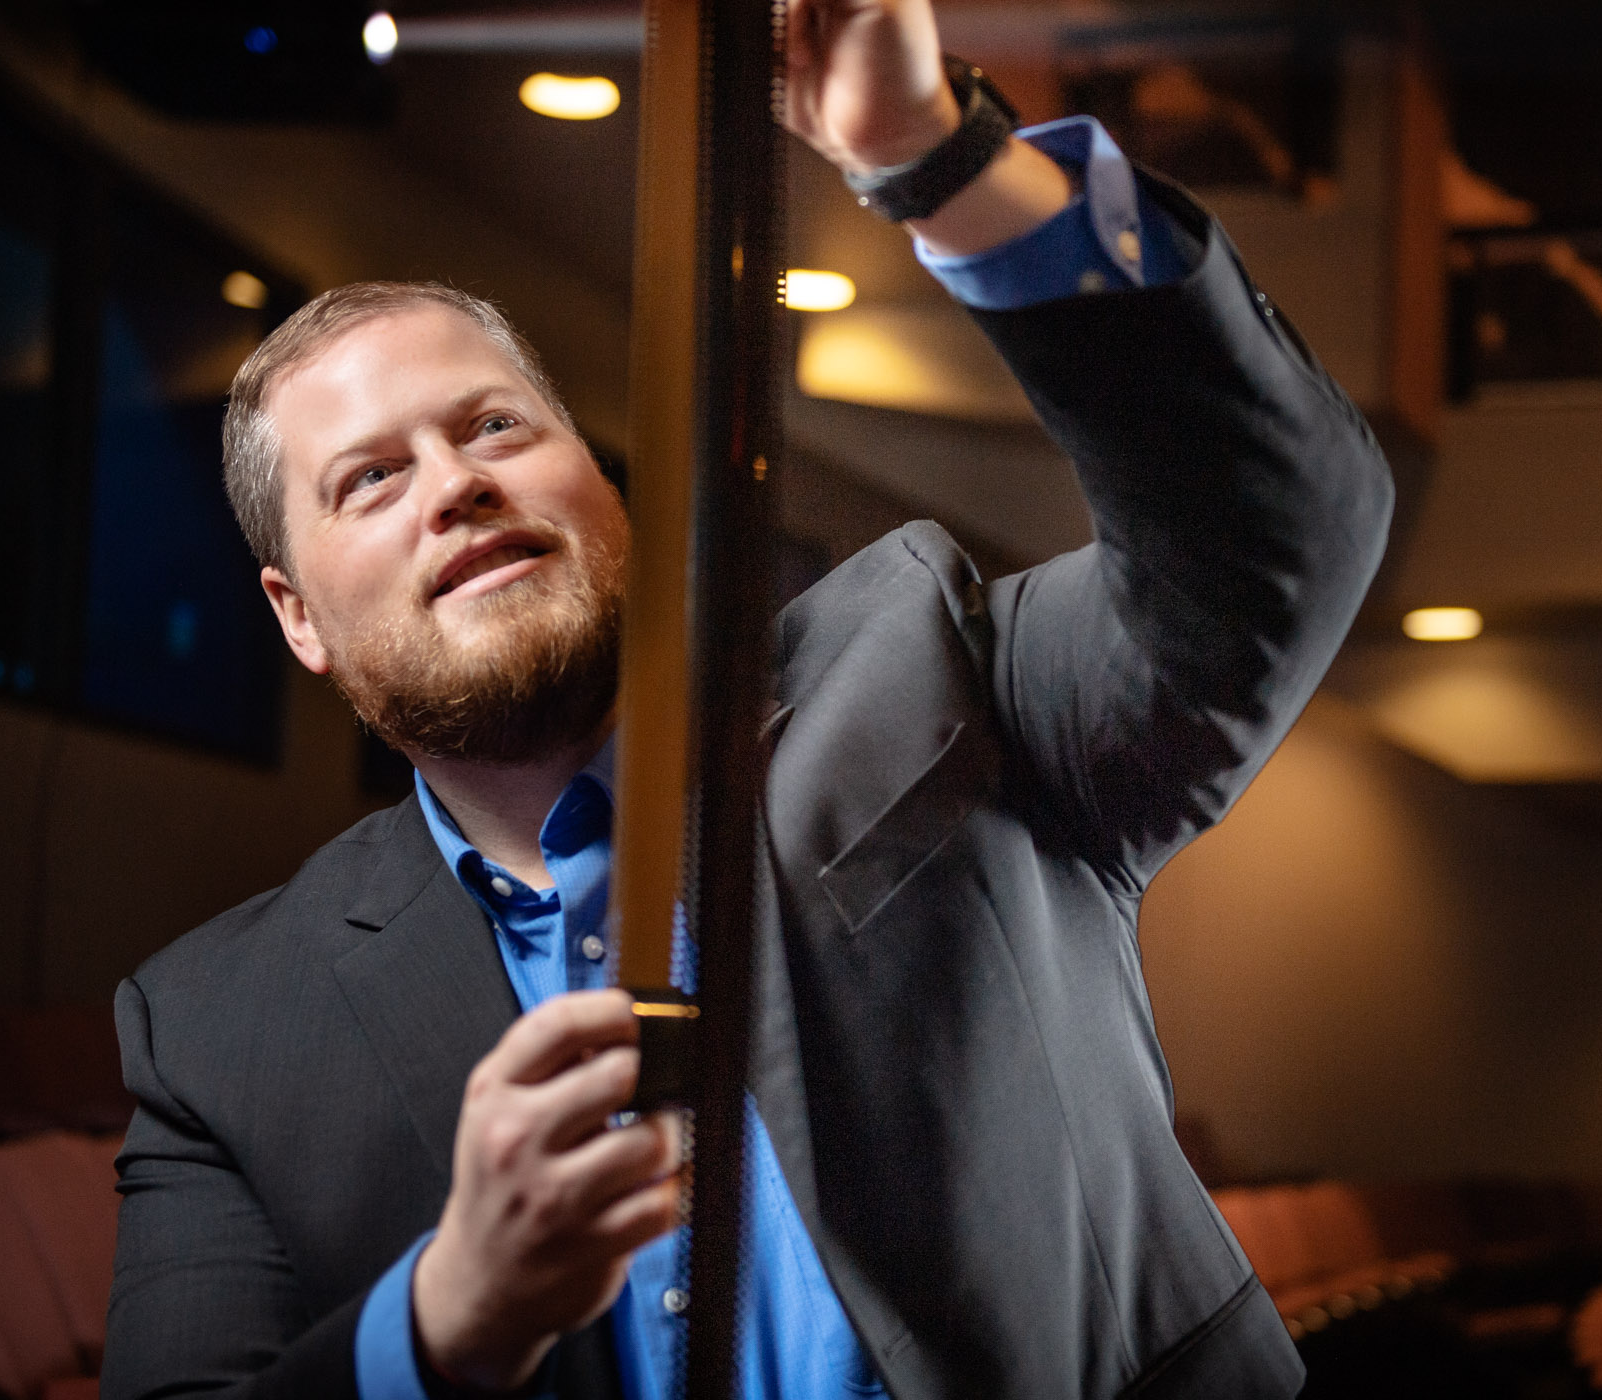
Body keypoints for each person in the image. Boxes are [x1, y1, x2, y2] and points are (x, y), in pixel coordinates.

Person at [102, 2, 1392, 1397]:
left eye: (495, 427)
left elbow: (1280, 533)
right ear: (298, 620)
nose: (454, 485)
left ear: (610, 498)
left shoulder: (932, 661)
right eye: (369, 479)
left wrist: (931, 155)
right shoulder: (211, 1029)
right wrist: (447, 1320)